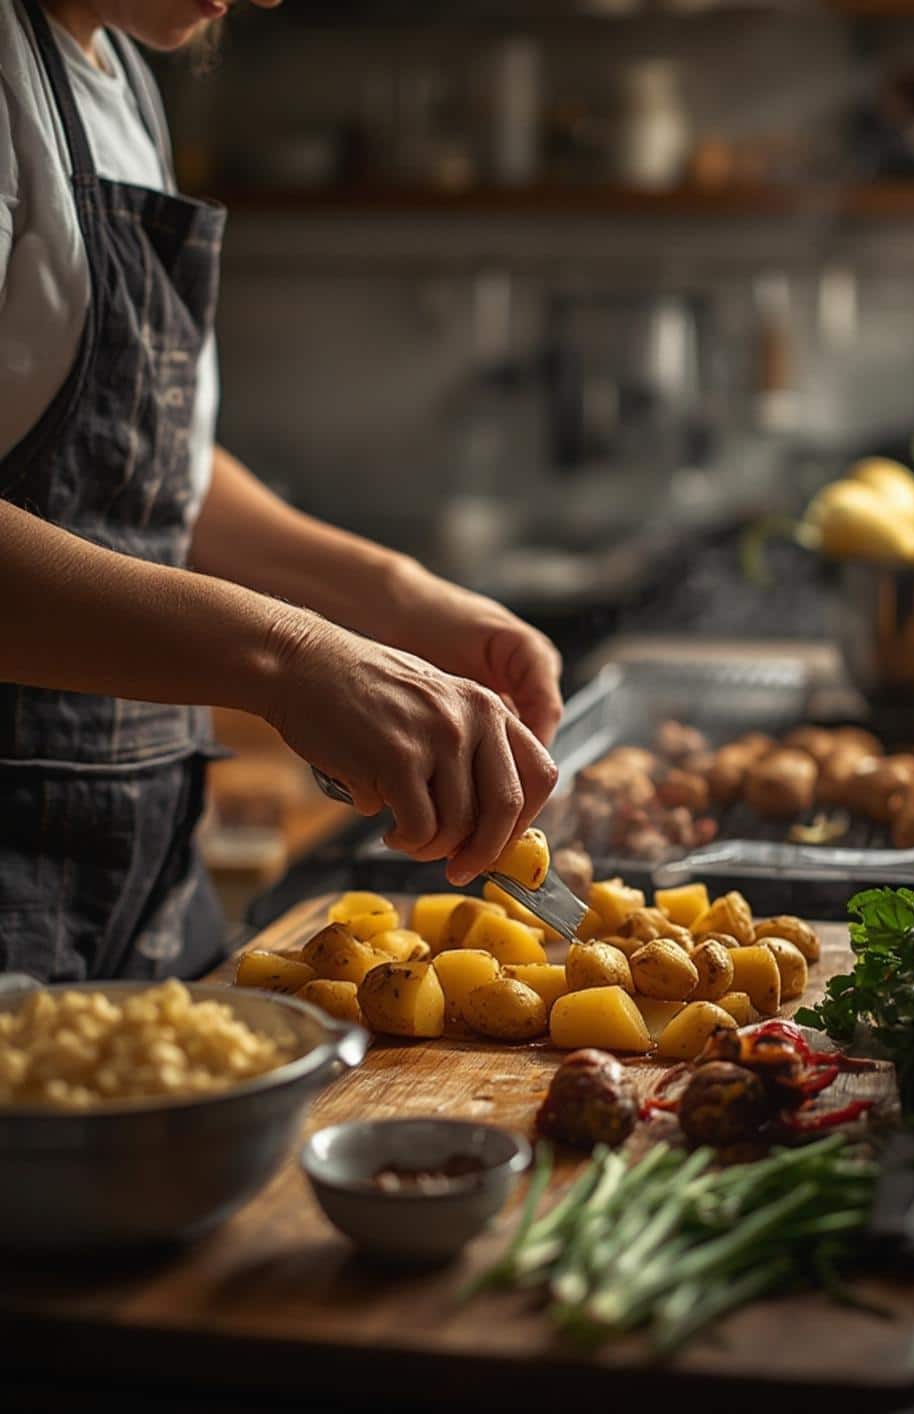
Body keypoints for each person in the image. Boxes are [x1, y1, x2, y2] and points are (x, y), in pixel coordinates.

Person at [0, 0, 562, 983]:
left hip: (133, 865)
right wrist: (291, 657)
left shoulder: (118, 75)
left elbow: (148, 465)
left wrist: (389, 594)